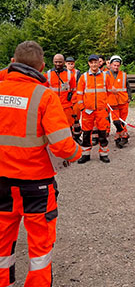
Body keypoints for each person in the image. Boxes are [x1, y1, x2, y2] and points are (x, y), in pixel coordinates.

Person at [0, 41, 81, 286]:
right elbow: (63, 147)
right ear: (42, 66)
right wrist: (78, 152)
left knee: (1, 241)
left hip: (1, 182)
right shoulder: (44, 96)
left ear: (12, 63)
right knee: (39, 247)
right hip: (36, 185)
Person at [76, 54, 112, 163]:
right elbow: (79, 94)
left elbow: (110, 93)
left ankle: (103, 154)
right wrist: (82, 108)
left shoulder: (106, 76)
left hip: (101, 111)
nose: (93, 64)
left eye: (95, 62)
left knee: (102, 133)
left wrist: (106, 108)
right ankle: (85, 154)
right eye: (91, 62)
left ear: (99, 63)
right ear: (89, 63)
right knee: (86, 134)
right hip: (87, 111)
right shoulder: (84, 77)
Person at [106, 55, 132, 148]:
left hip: (123, 101)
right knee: (116, 121)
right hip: (112, 102)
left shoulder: (124, 75)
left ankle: (118, 138)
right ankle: (124, 135)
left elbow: (128, 86)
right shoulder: (105, 75)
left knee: (122, 121)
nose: (116, 67)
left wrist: (129, 96)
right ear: (110, 65)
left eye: (117, 65)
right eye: (114, 65)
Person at [45, 54, 77, 129]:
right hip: (52, 106)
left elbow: (74, 90)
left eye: (60, 62)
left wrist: (71, 101)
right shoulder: (47, 74)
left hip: (66, 107)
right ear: (53, 62)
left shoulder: (70, 75)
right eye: (56, 62)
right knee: (53, 127)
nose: (58, 64)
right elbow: (43, 91)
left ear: (64, 62)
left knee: (67, 127)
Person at [65, 56, 82, 142]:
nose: (70, 65)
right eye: (69, 64)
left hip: (76, 100)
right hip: (67, 101)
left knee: (76, 120)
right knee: (68, 121)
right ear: (65, 64)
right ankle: (69, 139)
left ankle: (77, 137)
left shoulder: (77, 73)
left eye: (72, 64)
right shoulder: (63, 73)